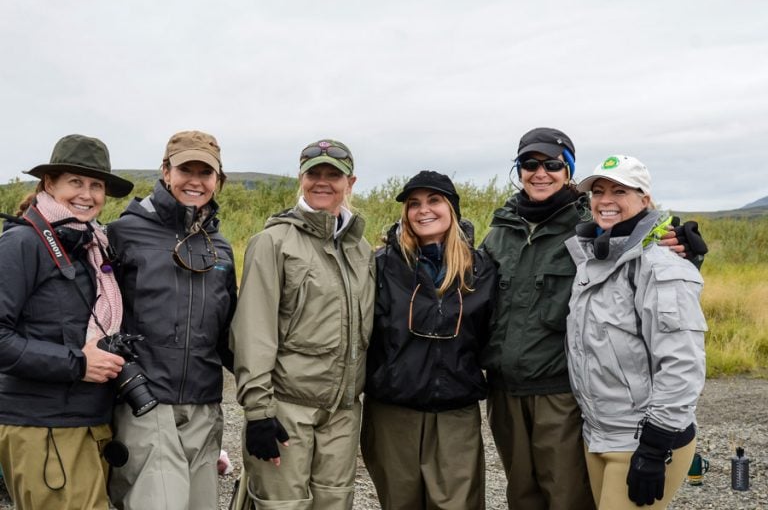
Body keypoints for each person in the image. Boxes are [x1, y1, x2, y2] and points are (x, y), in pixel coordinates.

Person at [480, 128, 707, 510]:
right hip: (506, 393)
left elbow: (647, 263)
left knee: (568, 496)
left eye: (553, 164)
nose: (541, 172)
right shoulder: (500, 232)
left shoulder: (588, 231)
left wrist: (680, 249)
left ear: (568, 172)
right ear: (517, 170)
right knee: (522, 496)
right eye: (529, 164)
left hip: (563, 394)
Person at [231, 139, 375, 509]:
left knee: (334, 504)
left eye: (334, 175)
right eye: (314, 174)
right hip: (287, 408)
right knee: (283, 504)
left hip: (342, 412)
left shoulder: (360, 250)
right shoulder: (273, 242)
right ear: (301, 178)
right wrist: (259, 412)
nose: (323, 182)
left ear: (351, 182)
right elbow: (253, 331)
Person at [0, 134, 133, 509]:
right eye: (75, 182)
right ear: (49, 184)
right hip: (41, 425)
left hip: (89, 420)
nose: (86, 194)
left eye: (96, 185)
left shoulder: (92, 247)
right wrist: (78, 364)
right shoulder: (22, 245)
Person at [565, 155, 706, 509]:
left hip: (642, 440)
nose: (605, 200)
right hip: (599, 435)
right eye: (598, 191)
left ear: (645, 199)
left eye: (619, 190)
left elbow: (682, 363)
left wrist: (655, 446)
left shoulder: (662, 266)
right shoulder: (593, 262)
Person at [107, 130, 237, 510]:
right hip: (146, 403)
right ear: (165, 171)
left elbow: (229, 331)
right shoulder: (123, 233)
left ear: (218, 180)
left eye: (205, 172)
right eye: (185, 169)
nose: (195, 181)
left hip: (205, 403)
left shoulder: (222, 247)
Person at [361, 171, 497, 509]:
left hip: (455, 412)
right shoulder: (381, 266)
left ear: (452, 208)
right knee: (399, 502)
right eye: (414, 204)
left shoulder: (480, 270)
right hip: (393, 411)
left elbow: (492, 335)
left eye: (434, 200)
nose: (424, 210)